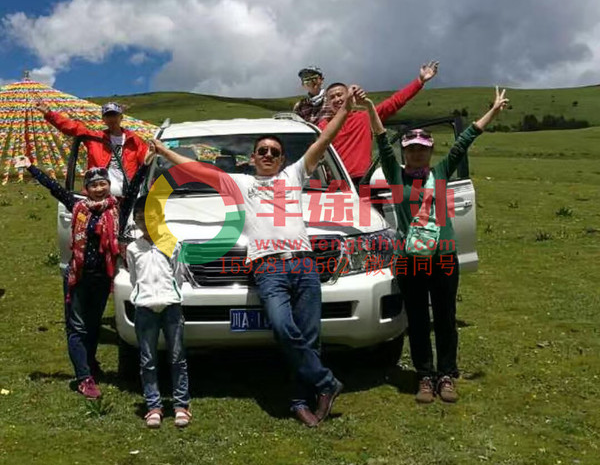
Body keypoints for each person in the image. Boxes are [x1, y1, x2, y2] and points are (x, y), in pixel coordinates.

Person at [153, 89, 361, 427]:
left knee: (309, 338)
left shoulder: (293, 176)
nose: (268, 154)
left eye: (274, 152)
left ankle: (300, 401)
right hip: (268, 269)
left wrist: (346, 110)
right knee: (283, 328)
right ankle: (326, 382)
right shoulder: (239, 184)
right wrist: (163, 150)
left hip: (305, 265)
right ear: (252, 157)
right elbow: (195, 170)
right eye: (262, 150)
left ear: (281, 160)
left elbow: (324, 140)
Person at [360, 87, 509, 403]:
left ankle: (446, 375)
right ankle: (424, 376)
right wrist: (372, 107)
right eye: (411, 149)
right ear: (404, 152)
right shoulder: (395, 176)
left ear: (430, 151)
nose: (416, 153)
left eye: (422, 149)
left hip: (443, 257)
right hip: (410, 259)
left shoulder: (441, 173)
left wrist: (493, 111)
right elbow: (382, 140)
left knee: (444, 316)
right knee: (416, 319)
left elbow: (465, 140)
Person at [15, 146, 154, 400]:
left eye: (103, 184)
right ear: (86, 189)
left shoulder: (117, 210)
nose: (99, 188)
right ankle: (84, 378)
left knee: (92, 326)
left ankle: (89, 364)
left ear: (108, 186)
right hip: (77, 277)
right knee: (77, 327)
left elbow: (133, 189)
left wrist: (144, 165)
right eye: (94, 185)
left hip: (102, 278)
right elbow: (55, 189)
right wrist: (32, 167)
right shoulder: (78, 207)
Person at [126, 196, 192, 429]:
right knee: (148, 359)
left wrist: (169, 295)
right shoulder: (133, 249)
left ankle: (181, 405)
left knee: (177, 357)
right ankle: (153, 405)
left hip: (171, 306)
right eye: (140, 218)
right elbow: (134, 278)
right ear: (135, 221)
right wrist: (143, 295)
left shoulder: (173, 243)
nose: (146, 222)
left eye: (151, 217)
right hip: (145, 308)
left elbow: (178, 275)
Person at [317, 61, 439, 183]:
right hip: (337, 184)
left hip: (364, 180)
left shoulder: (364, 117)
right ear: (327, 103)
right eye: (332, 97)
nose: (337, 99)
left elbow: (395, 102)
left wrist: (420, 81)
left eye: (340, 95)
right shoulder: (322, 126)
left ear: (349, 97)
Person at [35, 99, 149, 198]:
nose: (112, 119)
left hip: (128, 195)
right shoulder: (95, 138)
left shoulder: (134, 140)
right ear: (103, 119)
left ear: (121, 117)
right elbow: (72, 127)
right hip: (99, 194)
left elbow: (147, 163)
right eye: (108, 116)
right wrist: (50, 114)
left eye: (114, 115)